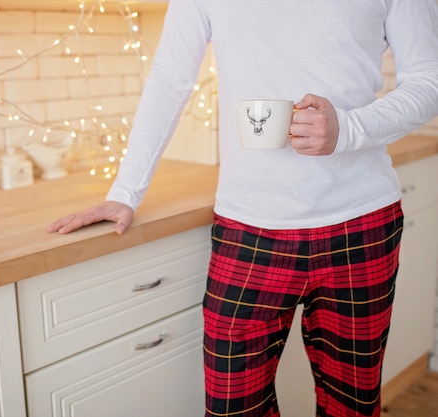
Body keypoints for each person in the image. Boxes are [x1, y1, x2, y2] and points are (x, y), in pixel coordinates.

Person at [47, 1, 438, 416]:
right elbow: (169, 80)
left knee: (352, 406)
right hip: (249, 230)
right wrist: (125, 191)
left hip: (362, 225)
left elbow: (429, 79)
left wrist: (349, 128)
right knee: (233, 408)